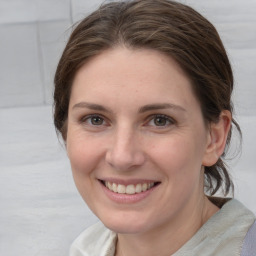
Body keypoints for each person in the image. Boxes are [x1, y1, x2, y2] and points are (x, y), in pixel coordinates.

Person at [53, 0, 256, 255]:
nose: (122, 157)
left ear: (214, 138)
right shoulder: (85, 248)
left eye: (160, 120)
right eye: (95, 119)